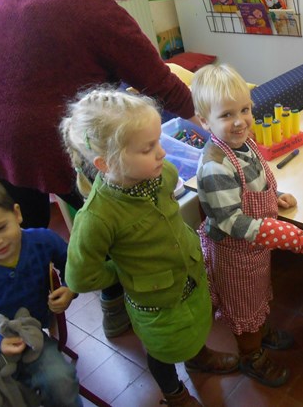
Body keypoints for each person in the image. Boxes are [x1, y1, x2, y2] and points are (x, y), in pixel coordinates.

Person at [0, 0, 201, 339]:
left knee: (21, 234)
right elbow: (161, 83)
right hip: (54, 144)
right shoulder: (99, 11)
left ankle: (26, 324)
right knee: (118, 217)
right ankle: (120, 301)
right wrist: (209, 127)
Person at [60, 87, 237, 407]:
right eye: (148, 148)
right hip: (155, 299)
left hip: (189, 275)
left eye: (158, 142)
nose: (162, 153)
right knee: (162, 349)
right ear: (106, 163)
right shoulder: (97, 218)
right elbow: (80, 277)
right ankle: (174, 394)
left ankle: (198, 356)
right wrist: (122, 270)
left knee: (195, 324)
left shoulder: (163, 173)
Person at [192, 64, 303, 387]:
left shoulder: (244, 143)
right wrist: (277, 232)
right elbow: (230, 220)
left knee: (257, 296)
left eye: (245, 110)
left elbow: (256, 182)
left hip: (255, 248)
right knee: (243, 306)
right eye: (226, 115)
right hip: (234, 254)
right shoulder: (215, 167)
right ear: (204, 121)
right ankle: (251, 354)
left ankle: (260, 330)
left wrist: (276, 194)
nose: (240, 121)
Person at [0, 176, 82, 407]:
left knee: (61, 382)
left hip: (33, 338)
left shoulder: (42, 240)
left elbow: (73, 263)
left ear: (17, 214)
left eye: (1, 228)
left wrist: (70, 288)